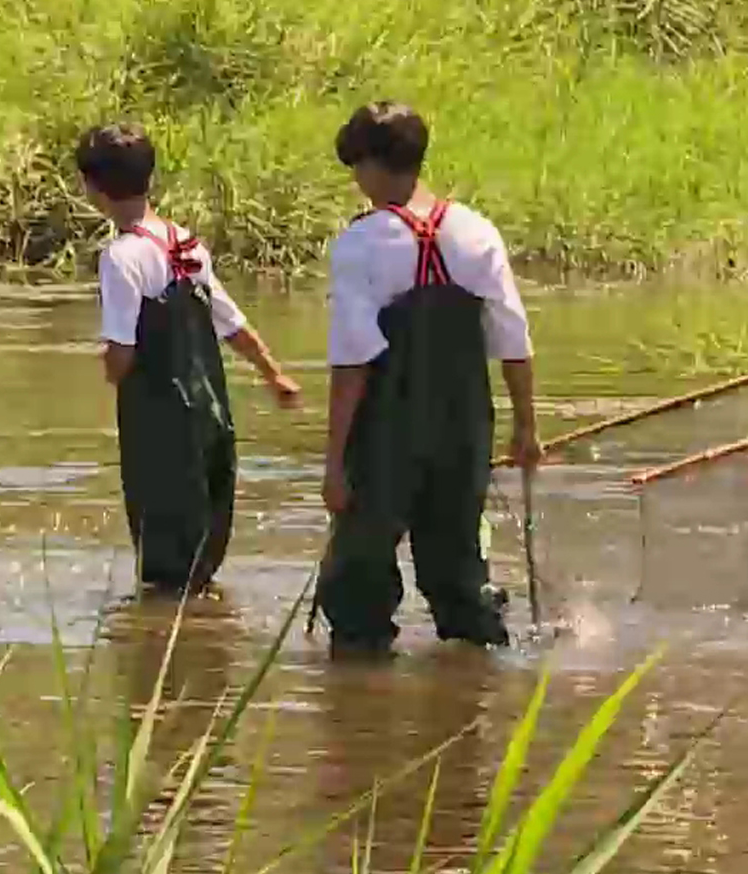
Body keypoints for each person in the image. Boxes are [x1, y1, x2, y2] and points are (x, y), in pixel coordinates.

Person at [315, 102, 541, 657]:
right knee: (458, 568)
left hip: (387, 431)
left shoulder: (361, 244)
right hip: (464, 425)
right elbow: (513, 337)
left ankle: (361, 709)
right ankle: (475, 700)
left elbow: (352, 362)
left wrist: (334, 463)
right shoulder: (475, 231)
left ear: (371, 166)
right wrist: (525, 429)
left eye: (357, 169)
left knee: (359, 584)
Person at [76, 123, 300, 594]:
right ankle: (207, 637)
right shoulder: (187, 244)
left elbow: (121, 353)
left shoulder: (121, 256)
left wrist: (109, 375)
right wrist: (273, 375)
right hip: (211, 412)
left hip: (161, 425)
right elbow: (231, 323)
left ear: (92, 188)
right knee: (203, 548)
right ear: (149, 177)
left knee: (165, 563)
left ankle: (167, 648)